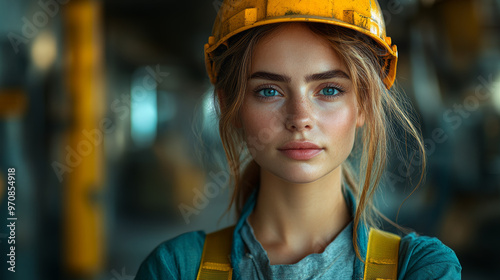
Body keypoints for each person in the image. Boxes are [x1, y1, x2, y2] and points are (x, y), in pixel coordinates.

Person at [135, 0, 462, 279]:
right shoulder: (177, 269)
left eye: (329, 90)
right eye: (269, 91)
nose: (300, 118)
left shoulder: (419, 268)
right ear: (228, 106)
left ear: (364, 103)